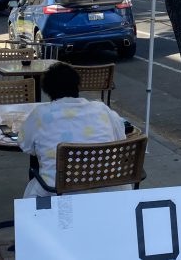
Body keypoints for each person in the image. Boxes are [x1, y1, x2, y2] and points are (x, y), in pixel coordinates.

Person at [17, 63, 128, 198]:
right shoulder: (102, 109)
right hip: (110, 191)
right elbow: (120, 138)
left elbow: (26, 146)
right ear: (77, 86)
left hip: (57, 193)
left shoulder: (40, 114)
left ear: (48, 91)